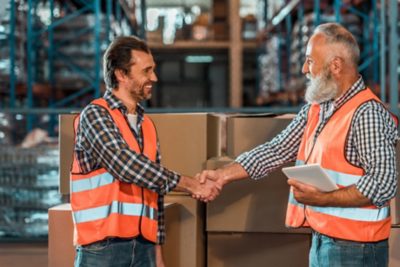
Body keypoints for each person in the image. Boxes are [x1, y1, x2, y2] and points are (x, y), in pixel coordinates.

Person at [197, 23, 399, 267]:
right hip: (323, 240)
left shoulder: (367, 113)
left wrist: (323, 198)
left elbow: (383, 182)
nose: (305, 69)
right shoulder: (319, 108)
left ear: (336, 65)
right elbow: (277, 149)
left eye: (310, 61)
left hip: (356, 249)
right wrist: (222, 176)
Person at [70, 36, 220, 267]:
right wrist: (191, 184)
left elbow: (155, 189)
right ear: (121, 74)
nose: (154, 78)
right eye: (146, 71)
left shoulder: (146, 125)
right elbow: (125, 165)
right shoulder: (95, 115)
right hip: (103, 248)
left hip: (144, 248)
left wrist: (157, 251)